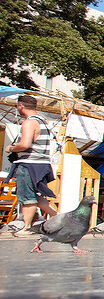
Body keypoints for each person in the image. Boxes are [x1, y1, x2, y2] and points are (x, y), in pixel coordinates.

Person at [5, 94, 58, 235]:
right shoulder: (42, 121)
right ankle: (56, 216)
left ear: (21, 106)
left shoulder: (29, 122)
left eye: (17, 106)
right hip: (41, 164)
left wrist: (11, 148)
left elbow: (25, 144)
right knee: (34, 194)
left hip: (29, 164)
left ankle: (26, 227)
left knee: (27, 195)